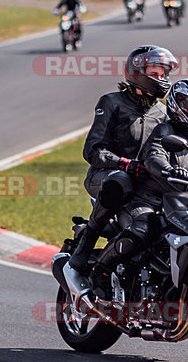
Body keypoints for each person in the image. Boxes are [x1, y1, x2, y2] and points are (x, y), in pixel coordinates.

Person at [89, 78, 188, 299]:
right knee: (144, 228)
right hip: (147, 200)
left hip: (184, 202)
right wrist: (170, 170)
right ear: (180, 106)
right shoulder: (164, 130)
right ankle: (100, 270)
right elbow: (154, 158)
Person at [63, 45, 179, 289]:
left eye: (164, 74)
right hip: (105, 177)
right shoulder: (112, 102)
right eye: (156, 74)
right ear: (138, 73)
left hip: (143, 183)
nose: (162, 79)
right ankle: (85, 246)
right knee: (120, 181)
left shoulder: (163, 112)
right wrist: (123, 164)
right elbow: (92, 150)